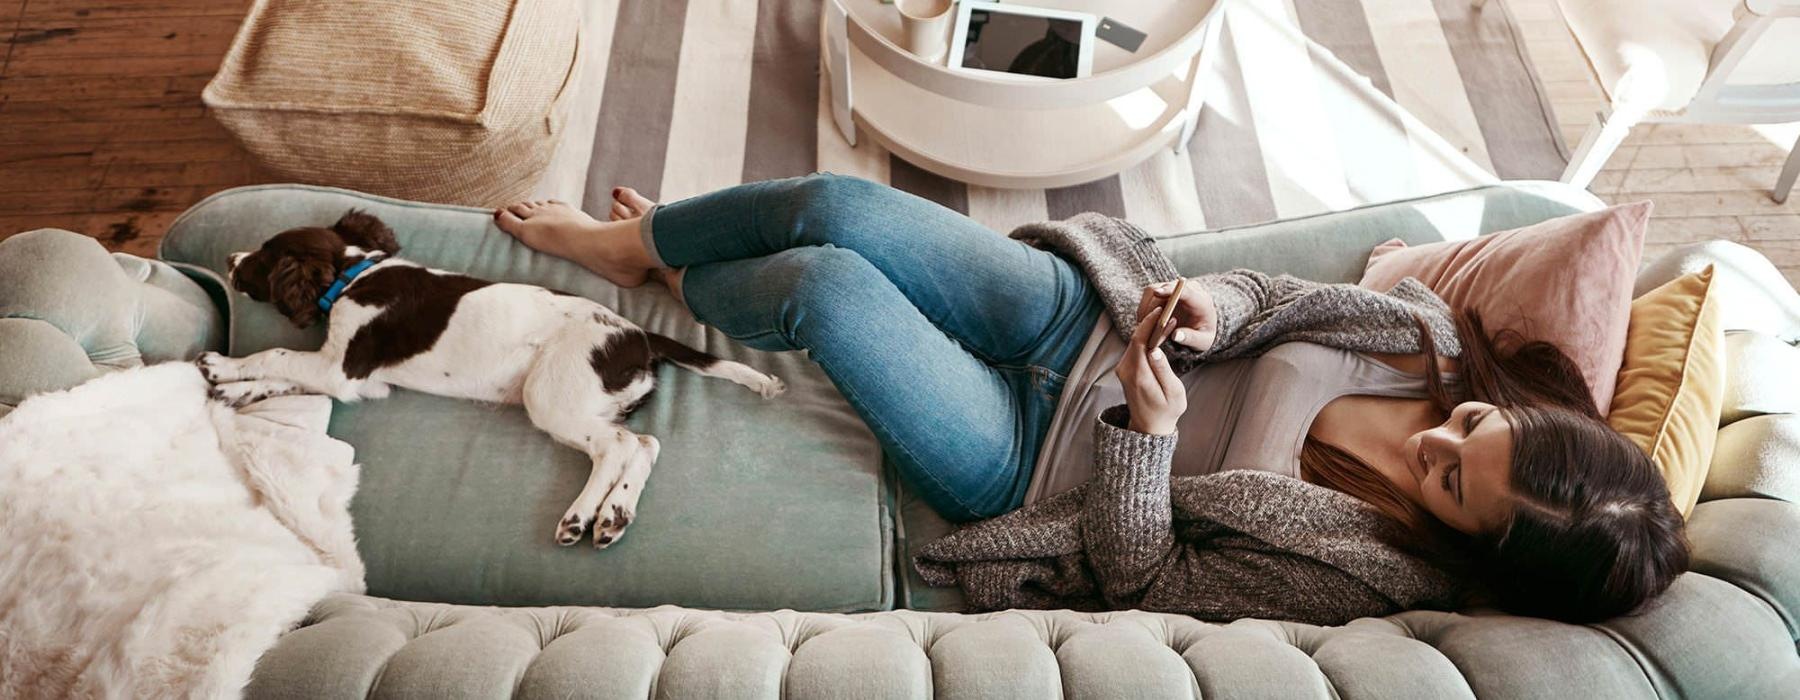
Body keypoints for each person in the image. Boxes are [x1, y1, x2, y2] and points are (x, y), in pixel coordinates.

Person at [494, 173, 1688, 625]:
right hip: (1082, 319)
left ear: (1468, 546)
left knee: (822, 286)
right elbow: (1273, 296)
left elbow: (1147, 579)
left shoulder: (1368, 571)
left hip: (1030, 460)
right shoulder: (1428, 338)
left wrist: (1149, 438)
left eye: (1448, 481)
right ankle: (637, 244)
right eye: (1477, 428)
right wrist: (1215, 305)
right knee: (838, 207)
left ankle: (685, 275)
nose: (1440, 437)